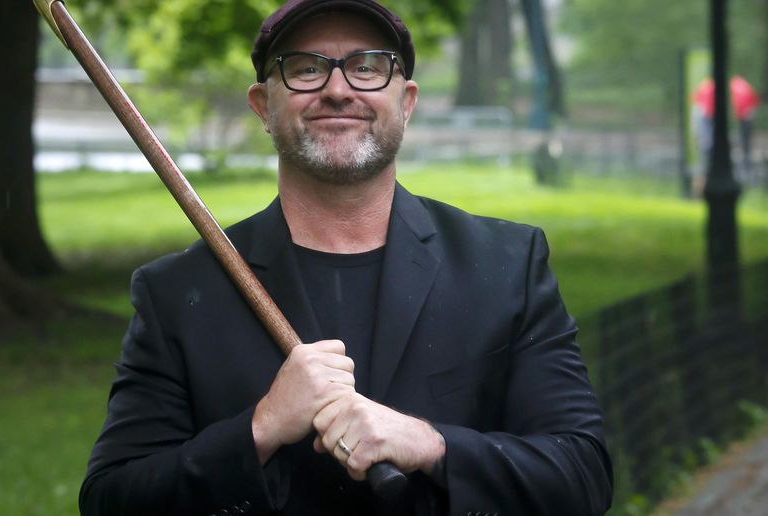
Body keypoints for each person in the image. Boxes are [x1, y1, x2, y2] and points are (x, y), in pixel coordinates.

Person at [79, 1, 613, 515]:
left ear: (406, 101)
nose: (337, 89)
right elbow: (112, 499)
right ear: (264, 105)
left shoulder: (506, 267)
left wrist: (428, 443)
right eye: (306, 69)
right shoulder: (179, 292)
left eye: (367, 67)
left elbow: (582, 477)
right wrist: (260, 429)